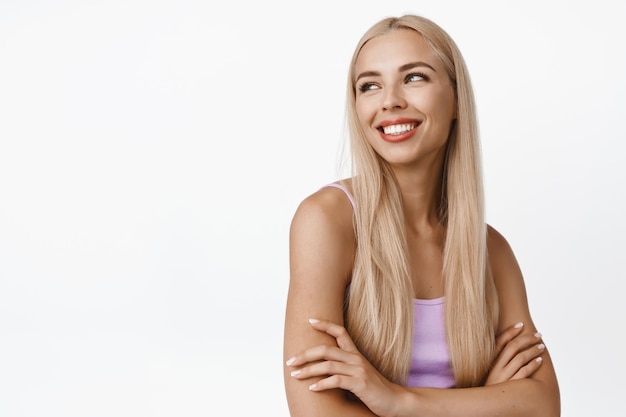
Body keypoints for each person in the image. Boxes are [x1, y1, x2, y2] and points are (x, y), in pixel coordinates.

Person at [283, 14, 560, 417]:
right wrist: (484, 403)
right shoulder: (327, 220)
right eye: (370, 85)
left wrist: (397, 401)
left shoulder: (491, 251)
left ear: (457, 101)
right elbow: (315, 412)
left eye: (414, 77)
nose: (389, 100)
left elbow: (543, 406)